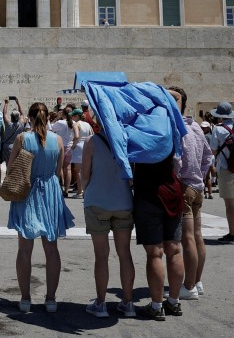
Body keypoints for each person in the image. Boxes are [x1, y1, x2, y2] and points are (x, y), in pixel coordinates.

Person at [7, 102, 74, 313]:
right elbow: (58, 170)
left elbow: (10, 168)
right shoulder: (59, 140)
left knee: (25, 249)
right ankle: (51, 299)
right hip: (50, 191)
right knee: (51, 249)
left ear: (30, 116)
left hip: (27, 191)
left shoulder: (22, 139)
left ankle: (26, 298)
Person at [81, 104, 137, 319]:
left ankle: (101, 303)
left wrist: (87, 193)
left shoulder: (92, 141)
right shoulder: (127, 140)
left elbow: (85, 174)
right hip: (123, 201)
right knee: (125, 253)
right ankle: (128, 303)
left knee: (101, 256)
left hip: (97, 201)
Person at [132, 151, 185, 320]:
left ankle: (156, 306)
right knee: (175, 249)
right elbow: (180, 161)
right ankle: (174, 301)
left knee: (155, 253)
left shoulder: (138, 131)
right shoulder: (170, 131)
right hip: (172, 191)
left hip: (148, 193)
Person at [172, 87, 210, 301]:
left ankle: (189, 286)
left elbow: (177, 159)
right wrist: (200, 177)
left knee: (186, 238)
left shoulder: (179, 128)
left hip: (184, 186)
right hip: (196, 186)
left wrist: (177, 179)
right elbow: (208, 157)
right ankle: (196, 280)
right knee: (196, 235)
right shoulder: (195, 126)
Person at [210, 101, 234, 244]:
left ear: (220, 116)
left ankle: (232, 235)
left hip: (226, 169)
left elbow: (213, 150)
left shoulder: (218, 130)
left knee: (229, 204)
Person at [70, 107, 94, 198]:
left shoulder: (76, 124)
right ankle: (87, 190)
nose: (72, 118)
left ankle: (80, 191)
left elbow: (76, 136)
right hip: (87, 145)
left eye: (73, 116)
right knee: (87, 169)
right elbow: (92, 135)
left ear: (76, 116)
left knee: (78, 170)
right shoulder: (87, 124)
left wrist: (73, 145)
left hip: (79, 145)